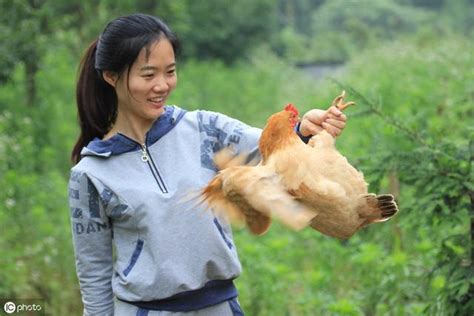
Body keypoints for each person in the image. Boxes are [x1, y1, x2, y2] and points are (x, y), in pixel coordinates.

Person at [68, 13, 346, 316]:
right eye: (148, 75)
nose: (162, 85)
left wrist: (303, 129)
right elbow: (94, 275)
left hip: (219, 307)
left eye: (170, 72)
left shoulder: (203, 129)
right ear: (111, 76)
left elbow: (268, 149)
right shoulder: (92, 173)